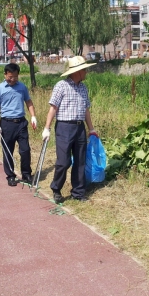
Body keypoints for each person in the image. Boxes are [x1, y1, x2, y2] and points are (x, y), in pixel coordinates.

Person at [42, 56, 98, 203]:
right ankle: (56, 188)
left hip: (80, 127)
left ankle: (78, 192)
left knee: (80, 160)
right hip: (64, 127)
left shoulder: (83, 88)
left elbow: (86, 110)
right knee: (63, 161)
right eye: (84, 69)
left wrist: (91, 129)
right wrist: (46, 128)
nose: (86, 72)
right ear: (77, 71)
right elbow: (53, 108)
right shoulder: (61, 85)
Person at [0, 63, 37, 186]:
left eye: (15, 77)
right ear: (5, 74)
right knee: (8, 151)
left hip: (21, 122)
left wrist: (33, 116)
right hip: (7, 124)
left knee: (25, 150)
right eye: (10, 77)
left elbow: (28, 101)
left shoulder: (22, 87)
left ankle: (26, 174)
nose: (12, 79)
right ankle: (11, 175)